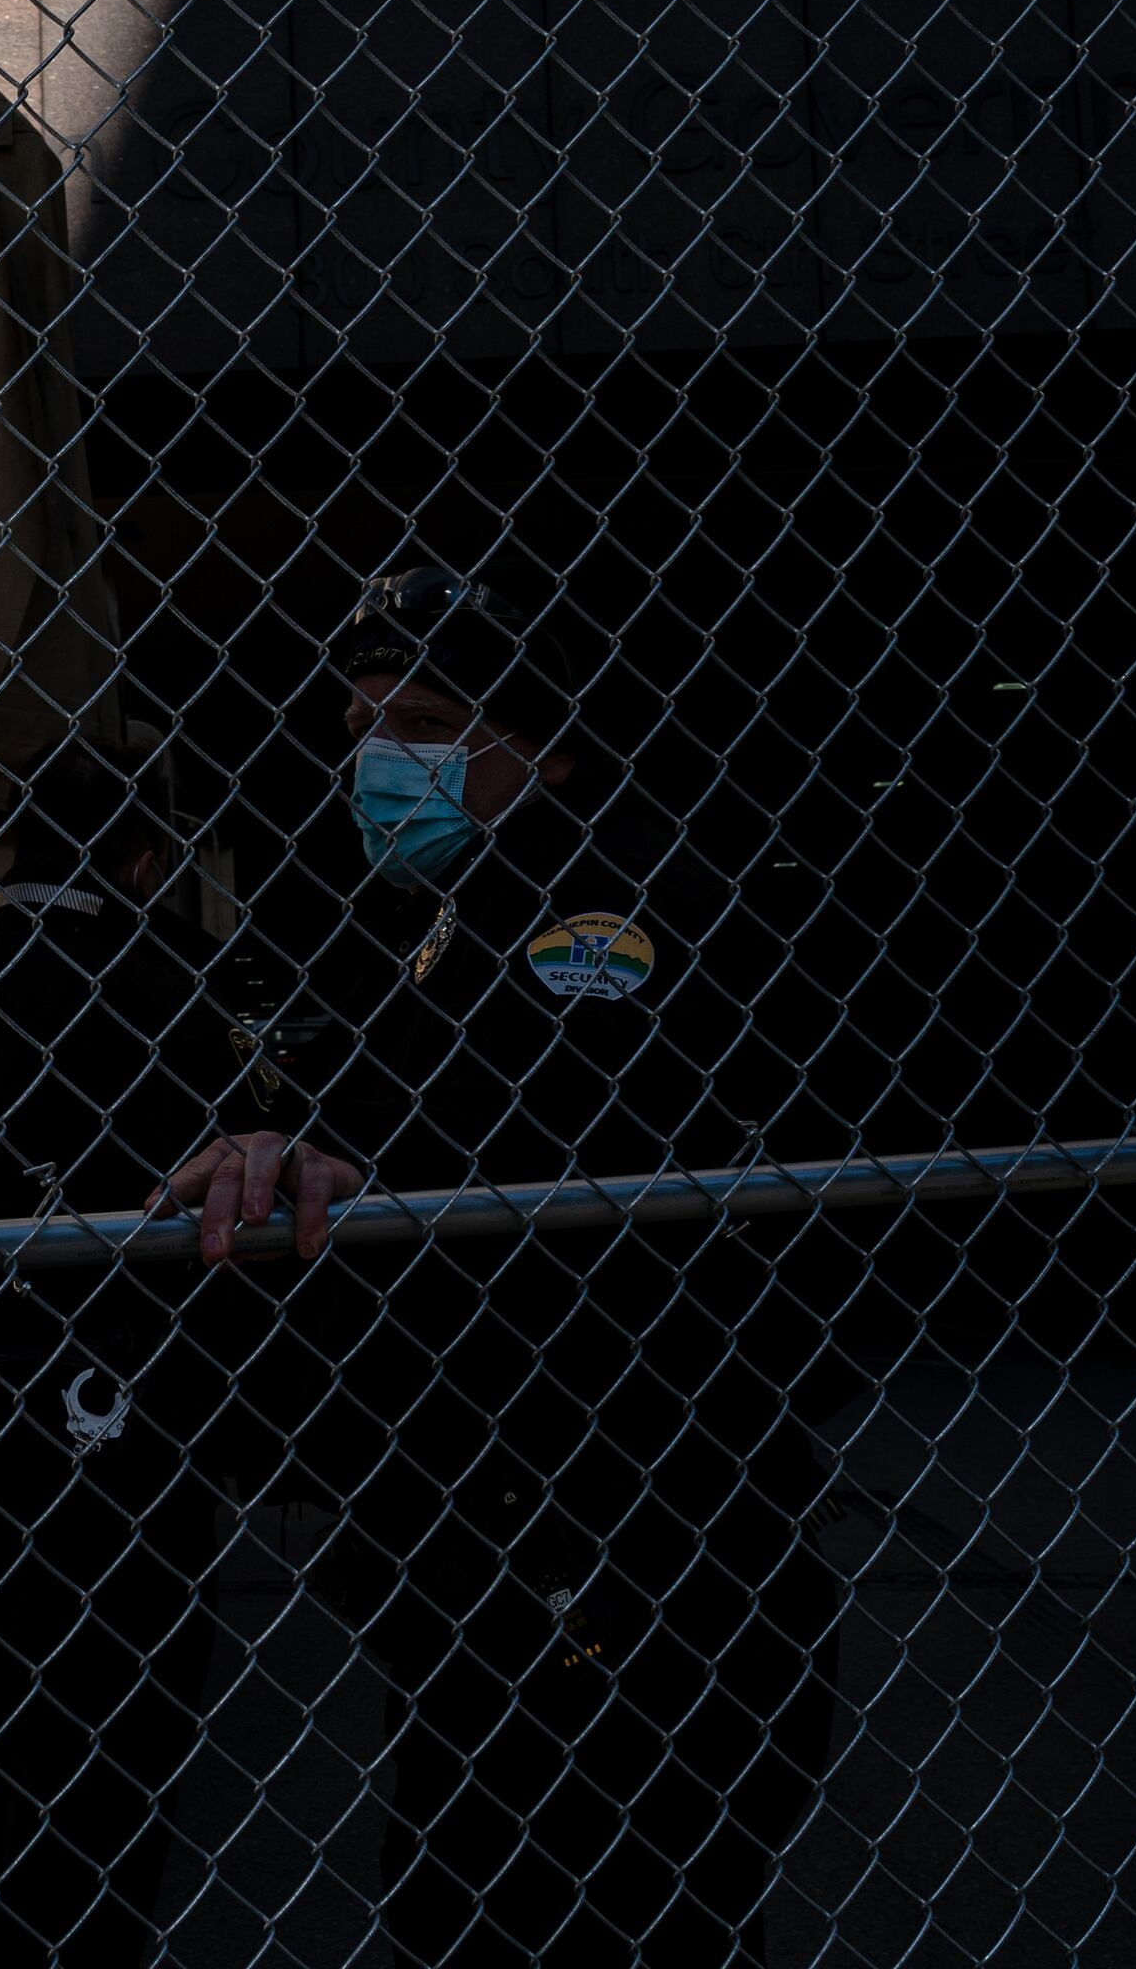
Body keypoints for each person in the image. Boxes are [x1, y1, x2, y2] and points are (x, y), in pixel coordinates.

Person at [156, 562, 855, 1966]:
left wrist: (343, 1152)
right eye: (360, 724)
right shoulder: (452, 922)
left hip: (625, 1538)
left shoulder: (600, 903)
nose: (377, 760)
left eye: (419, 721)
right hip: (536, 1535)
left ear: (545, 745)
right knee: (485, 1881)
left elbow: (545, 1124)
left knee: (574, 1903)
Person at [0, 737, 358, 1963]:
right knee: (125, 1733)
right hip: (140, 1415)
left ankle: (30, 1905)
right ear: (149, 857)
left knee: (3, 1711)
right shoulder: (200, 992)